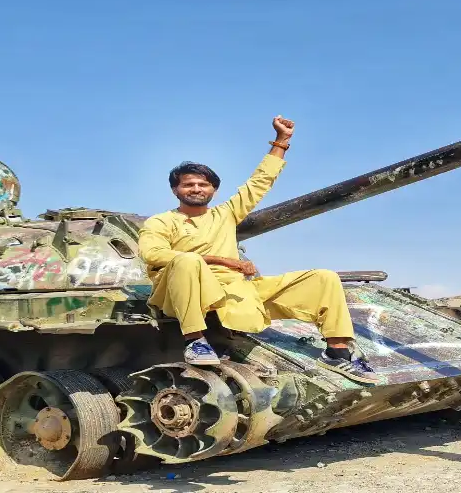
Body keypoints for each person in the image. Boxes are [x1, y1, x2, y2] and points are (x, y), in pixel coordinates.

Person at [137, 116, 378, 385]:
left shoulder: (225, 214)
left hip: (234, 287)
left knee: (323, 278)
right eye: (188, 184)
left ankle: (337, 351)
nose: (196, 188)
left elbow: (259, 183)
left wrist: (282, 142)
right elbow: (153, 255)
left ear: (213, 190)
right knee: (187, 261)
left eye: (203, 184)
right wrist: (223, 260)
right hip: (181, 290)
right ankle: (195, 341)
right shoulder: (160, 222)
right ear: (175, 190)